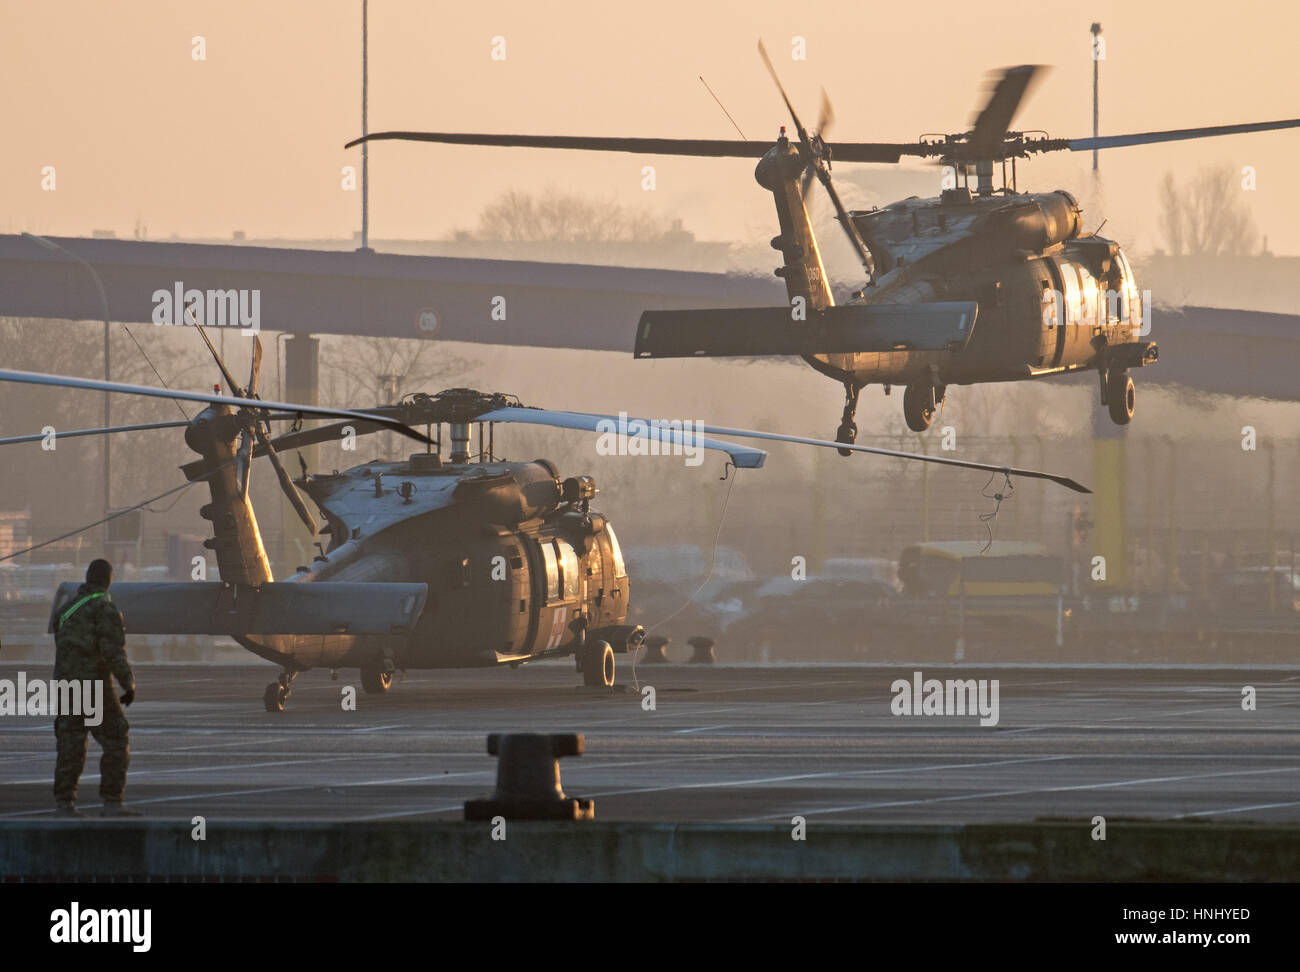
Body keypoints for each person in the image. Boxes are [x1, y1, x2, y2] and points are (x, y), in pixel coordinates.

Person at [52, 558, 139, 817]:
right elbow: (113, 651)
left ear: (87, 578)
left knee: (71, 743)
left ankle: (64, 802)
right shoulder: (104, 608)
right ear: (109, 580)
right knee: (116, 737)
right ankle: (112, 801)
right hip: (93, 686)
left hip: (67, 684)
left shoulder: (66, 610)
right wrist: (128, 683)